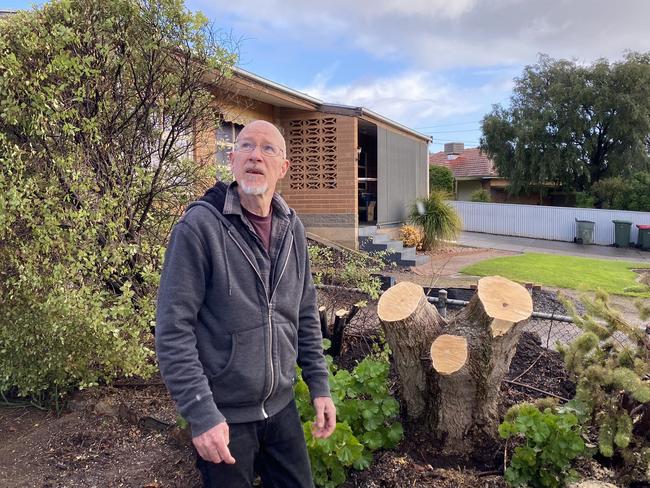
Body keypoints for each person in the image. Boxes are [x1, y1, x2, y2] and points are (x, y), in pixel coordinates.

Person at [155, 120, 336, 487]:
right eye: (246, 146)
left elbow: (304, 313)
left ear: (283, 167)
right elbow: (173, 330)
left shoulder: (291, 228)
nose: (256, 155)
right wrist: (201, 413)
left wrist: (319, 386)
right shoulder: (200, 227)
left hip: (281, 409)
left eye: (268, 148)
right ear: (233, 159)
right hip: (224, 416)